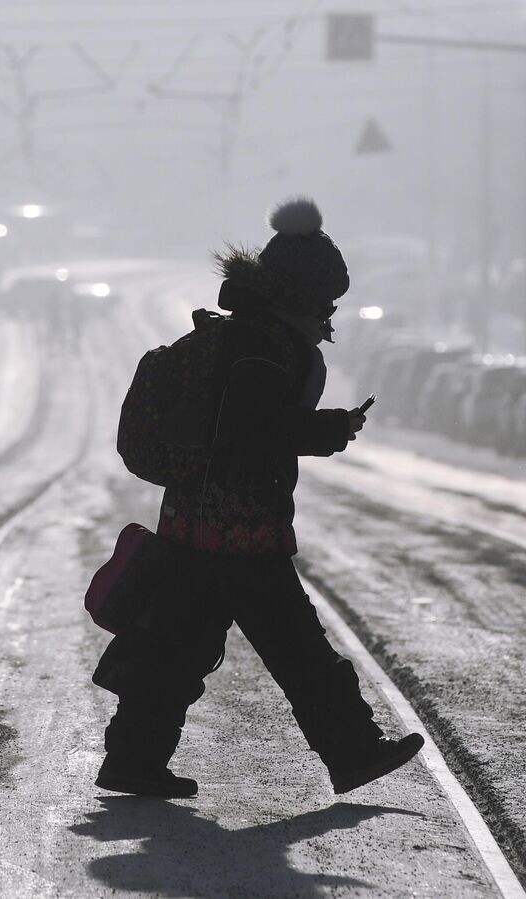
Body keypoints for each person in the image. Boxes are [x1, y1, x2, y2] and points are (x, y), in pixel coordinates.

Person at [93, 197, 424, 798]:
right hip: (242, 532)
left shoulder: (242, 337)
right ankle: (351, 751)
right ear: (299, 293)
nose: (329, 311)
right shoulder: (263, 350)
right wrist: (328, 429)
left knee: (171, 652)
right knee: (299, 650)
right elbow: (253, 434)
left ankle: (132, 761)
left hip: (192, 526)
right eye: (325, 297)